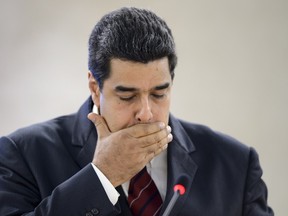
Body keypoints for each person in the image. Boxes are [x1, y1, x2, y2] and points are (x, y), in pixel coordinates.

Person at [0, 7, 273, 216]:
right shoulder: (22, 154)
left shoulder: (236, 163)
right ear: (95, 87)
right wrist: (101, 177)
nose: (146, 113)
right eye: (127, 95)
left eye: (159, 93)